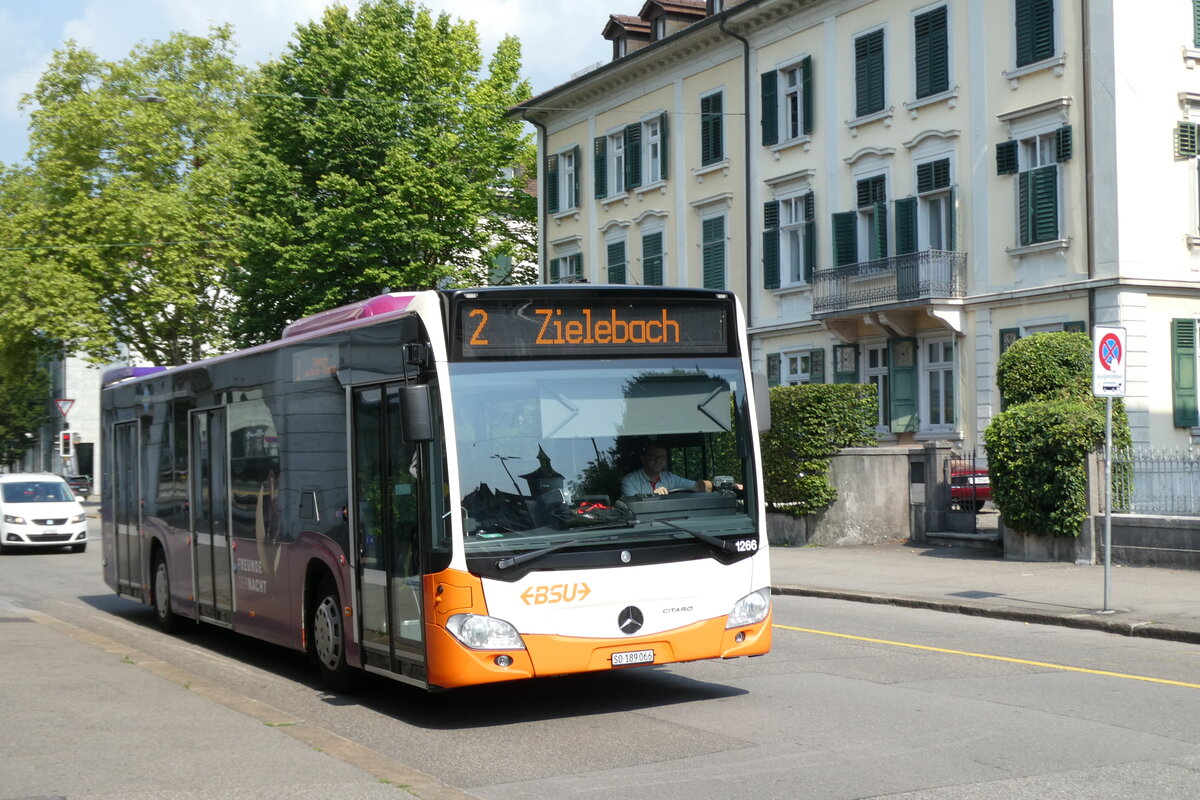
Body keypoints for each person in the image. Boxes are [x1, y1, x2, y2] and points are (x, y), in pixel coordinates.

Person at [621, 443, 711, 497]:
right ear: (643, 458)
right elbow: (632, 510)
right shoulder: (629, 481)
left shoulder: (670, 478)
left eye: (662, 457)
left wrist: (716, 485)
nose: (658, 460)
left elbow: (698, 486)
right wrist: (653, 497)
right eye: (654, 456)